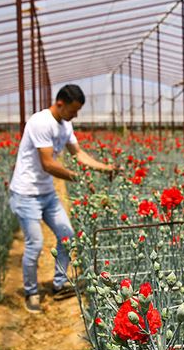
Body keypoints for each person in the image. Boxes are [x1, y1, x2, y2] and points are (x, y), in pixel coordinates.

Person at [9, 84, 115, 313]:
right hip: (26, 193)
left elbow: (78, 154)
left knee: (67, 235)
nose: (75, 115)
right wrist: (76, 177)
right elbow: (48, 163)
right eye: (73, 110)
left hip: (46, 192)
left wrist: (104, 168)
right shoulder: (40, 122)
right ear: (60, 103)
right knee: (35, 244)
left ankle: (58, 284)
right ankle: (31, 292)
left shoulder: (65, 124)